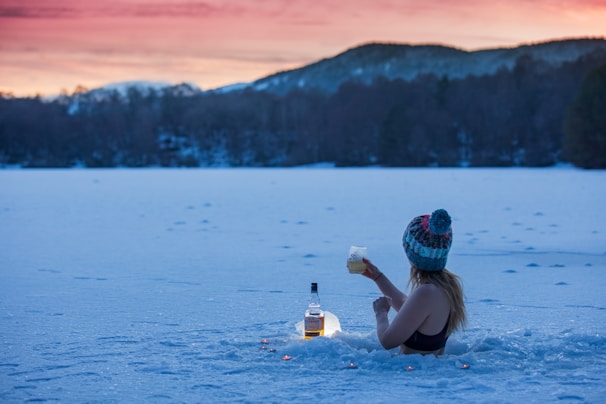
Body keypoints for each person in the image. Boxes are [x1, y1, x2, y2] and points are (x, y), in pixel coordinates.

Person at [362, 209, 466, 355]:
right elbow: (411, 311)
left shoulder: (427, 292)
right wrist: (378, 277)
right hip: (426, 371)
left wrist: (381, 313)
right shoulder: (447, 286)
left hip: (412, 374)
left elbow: (388, 341)